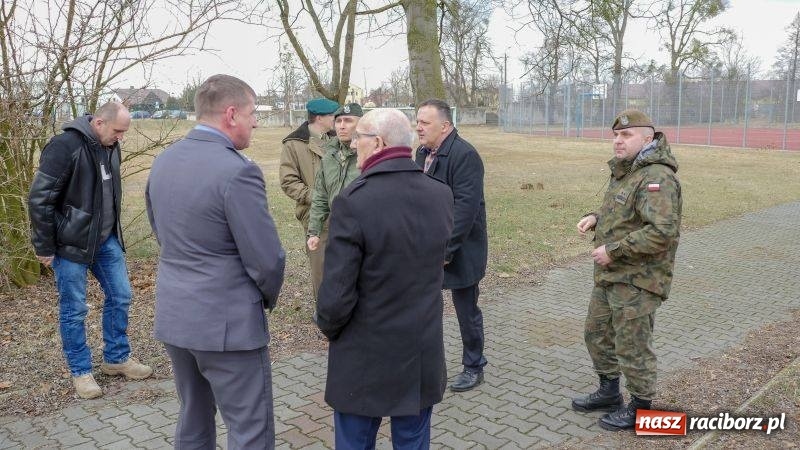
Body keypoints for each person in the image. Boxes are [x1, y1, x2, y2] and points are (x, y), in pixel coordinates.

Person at [145, 74, 285, 448]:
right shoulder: (238, 170)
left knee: (193, 418)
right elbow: (267, 259)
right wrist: (263, 298)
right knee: (249, 428)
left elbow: (162, 232)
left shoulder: (163, 161)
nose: (256, 121)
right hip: (228, 325)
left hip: (177, 316)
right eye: (253, 113)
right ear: (231, 113)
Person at [315, 108, 454, 449]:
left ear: (376, 142)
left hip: (366, 352)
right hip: (420, 347)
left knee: (355, 442)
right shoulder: (440, 194)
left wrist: (329, 326)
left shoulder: (352, 202)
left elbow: (336, 293)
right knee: (413, 441)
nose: (352, 146)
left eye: (357, 138)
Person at [28, 102, 152, 400]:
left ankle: (116, 358)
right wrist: (44, 246)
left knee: (121, 295)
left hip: (105, 239)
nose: (121, 138)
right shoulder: (64, 146)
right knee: (74, 309)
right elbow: (39, 199)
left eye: (124, 132)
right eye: (118, 131)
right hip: (70, 245)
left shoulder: (110, 145)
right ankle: (81, 371)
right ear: (99, 123)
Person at [571, 109, 682, 431]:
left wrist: (614, 250)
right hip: (612, 276)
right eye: (616, 136)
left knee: (632, 345)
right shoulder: (628, 171)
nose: (618, 141)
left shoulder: (657, 177)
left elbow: (662, 232)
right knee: (597, 334)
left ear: (647, 138)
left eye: (626, 135)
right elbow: (624, 211)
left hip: (638, 279)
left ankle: (641, 407)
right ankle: (608, 392)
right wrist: (596, 217)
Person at [414, 99, 488, 392]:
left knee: (465, 310)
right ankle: (424, 364)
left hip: (461, 249)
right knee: (423, 308)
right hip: (427, 247)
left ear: (445, 126)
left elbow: (465, 211)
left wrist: (445, 252)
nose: (418, 127)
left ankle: (474, 365)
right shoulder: (421, 153)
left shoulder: (465, 155)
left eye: (424, 122)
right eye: (417, 121)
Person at [279, 97, 339, 301]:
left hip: (344, 214)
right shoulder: (294, 144)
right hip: (316, 218)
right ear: (320, 118)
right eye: (332, 116)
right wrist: (318, 198)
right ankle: (326, 318)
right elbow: (288, 182)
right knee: (321, 271)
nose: (336, 119)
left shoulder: (338, 139)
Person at [306, 103, 363, 252]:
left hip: (365, 230)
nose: (342, 126)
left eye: (348, 121)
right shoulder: (329, 155)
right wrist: (314, 231)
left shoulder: (369, 154)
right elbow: (321, 195)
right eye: (338, 121)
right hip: (337, 228)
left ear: (361, 124)